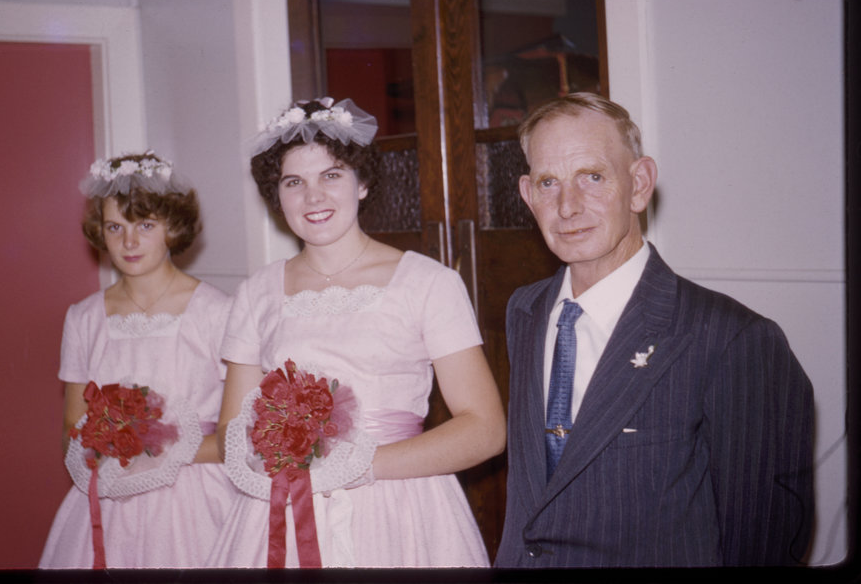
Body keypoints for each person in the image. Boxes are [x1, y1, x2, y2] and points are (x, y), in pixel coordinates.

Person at [494, 92, 815, 568]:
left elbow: (761, 542)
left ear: (639, 184)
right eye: (548, 182)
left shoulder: (731, 339)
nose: (567, 206)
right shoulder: (525, 311)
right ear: (527, 195)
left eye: (592, 176)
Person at [207, 98, 506, 567]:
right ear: (277, 196)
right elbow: (231, 429)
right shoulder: (255, 293)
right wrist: (278, 447)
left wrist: (359, 466)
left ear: (362, 183)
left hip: (401, 508)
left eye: (331, 175)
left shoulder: (429, 282)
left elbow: (485, 429)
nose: (313, 197)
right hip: (282, 509)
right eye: (294, 182)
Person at [39, 152, 236, 568]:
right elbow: (71, 429)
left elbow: (237, 435)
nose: (129, 242)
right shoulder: (83, 318)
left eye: (145, 225)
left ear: (173, 227)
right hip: (111, 500)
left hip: (196, 501)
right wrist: (101, 445)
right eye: (116, 227)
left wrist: (155, 448)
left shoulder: (217, 312)